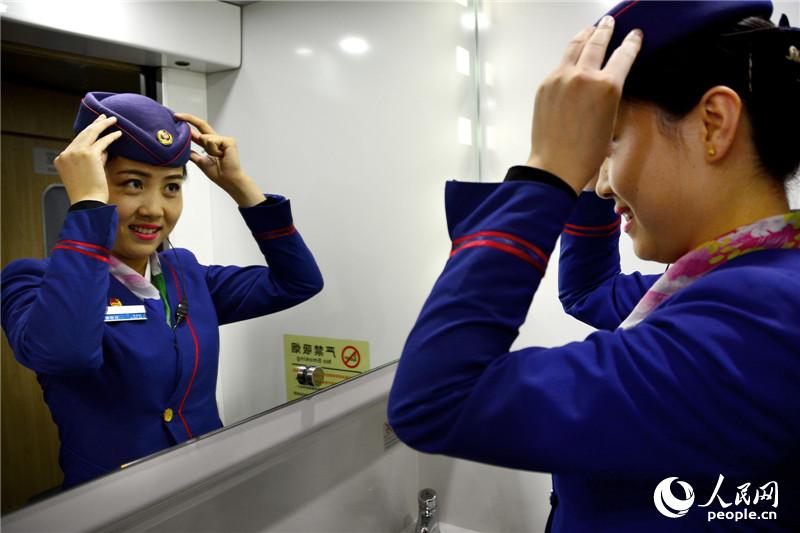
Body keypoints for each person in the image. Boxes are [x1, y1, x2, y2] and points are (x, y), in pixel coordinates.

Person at [388, 1, 799, 532]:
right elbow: (589, 292)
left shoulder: (755, 321)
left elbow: (436, 400)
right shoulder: (741, 282)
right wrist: (579, 178)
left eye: (613, 142)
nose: (602, 186)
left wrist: (549, 170)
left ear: (713, 125)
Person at [1, 92, 323, 489]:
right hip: (111, 504)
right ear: (93, 182)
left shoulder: (185, 273)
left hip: (208, 487)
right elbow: (68, 354)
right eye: (134, 184)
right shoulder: (30, 282)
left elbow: (298, 281)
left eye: (171, 187)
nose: (155, 209)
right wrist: (87, 208)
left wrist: (240, 186)